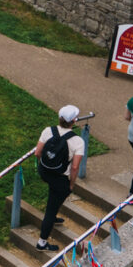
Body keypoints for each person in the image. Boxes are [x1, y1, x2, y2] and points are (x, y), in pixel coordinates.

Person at [34, 104, 85, 252]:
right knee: (52, 207)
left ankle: (53, 214)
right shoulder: (77, 141)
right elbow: (75, 167)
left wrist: (45, 167)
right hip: (61, 178)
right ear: (74, 121)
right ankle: (42, 242)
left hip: (45, 172)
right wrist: (71, 184)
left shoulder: (48, 131)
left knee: (54, 196)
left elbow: (38, 153)